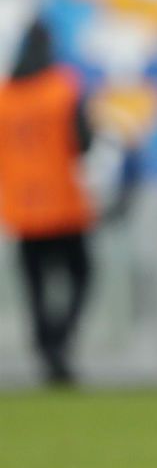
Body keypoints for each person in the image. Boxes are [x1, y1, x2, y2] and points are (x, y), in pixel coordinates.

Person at [0, 22, 94, 386]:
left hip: (23, 206)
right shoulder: (62, 87)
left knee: (35, 287)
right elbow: (82, 142)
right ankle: (60, 340)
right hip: (63, 203)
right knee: (81, 275)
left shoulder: (6, 96)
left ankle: (47, 348)